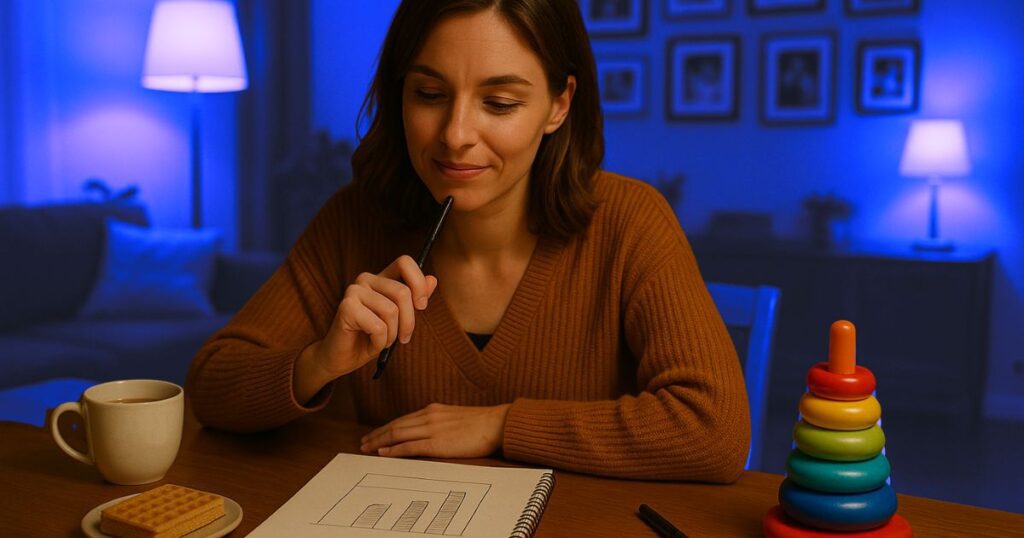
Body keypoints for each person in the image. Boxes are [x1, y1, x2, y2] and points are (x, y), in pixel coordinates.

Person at [187, 0, 750, 483]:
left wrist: (500, 425)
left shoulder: (630, 221)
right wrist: (319, 361)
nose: (455, 135)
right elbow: (211, 385)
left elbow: (715, 430)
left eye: (500, 103)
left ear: (558, 104)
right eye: (429, 94)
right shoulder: (354, 220)